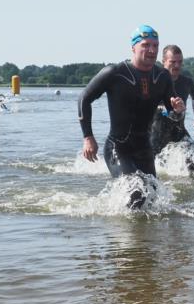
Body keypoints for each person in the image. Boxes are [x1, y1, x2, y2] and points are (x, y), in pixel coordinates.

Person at [78, 25, 183, 206]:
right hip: (118, 148)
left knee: (152, 198)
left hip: (144, 149)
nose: (151, 50)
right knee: (136, 192)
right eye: (146, 45)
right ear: (133, 47)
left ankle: (143, 233)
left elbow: (172, 115)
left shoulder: (162, 76)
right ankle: (123, 233)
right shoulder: (115, 73)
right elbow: (84, 99)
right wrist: (88, 137)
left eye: (155, 46)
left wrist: (178, 110)